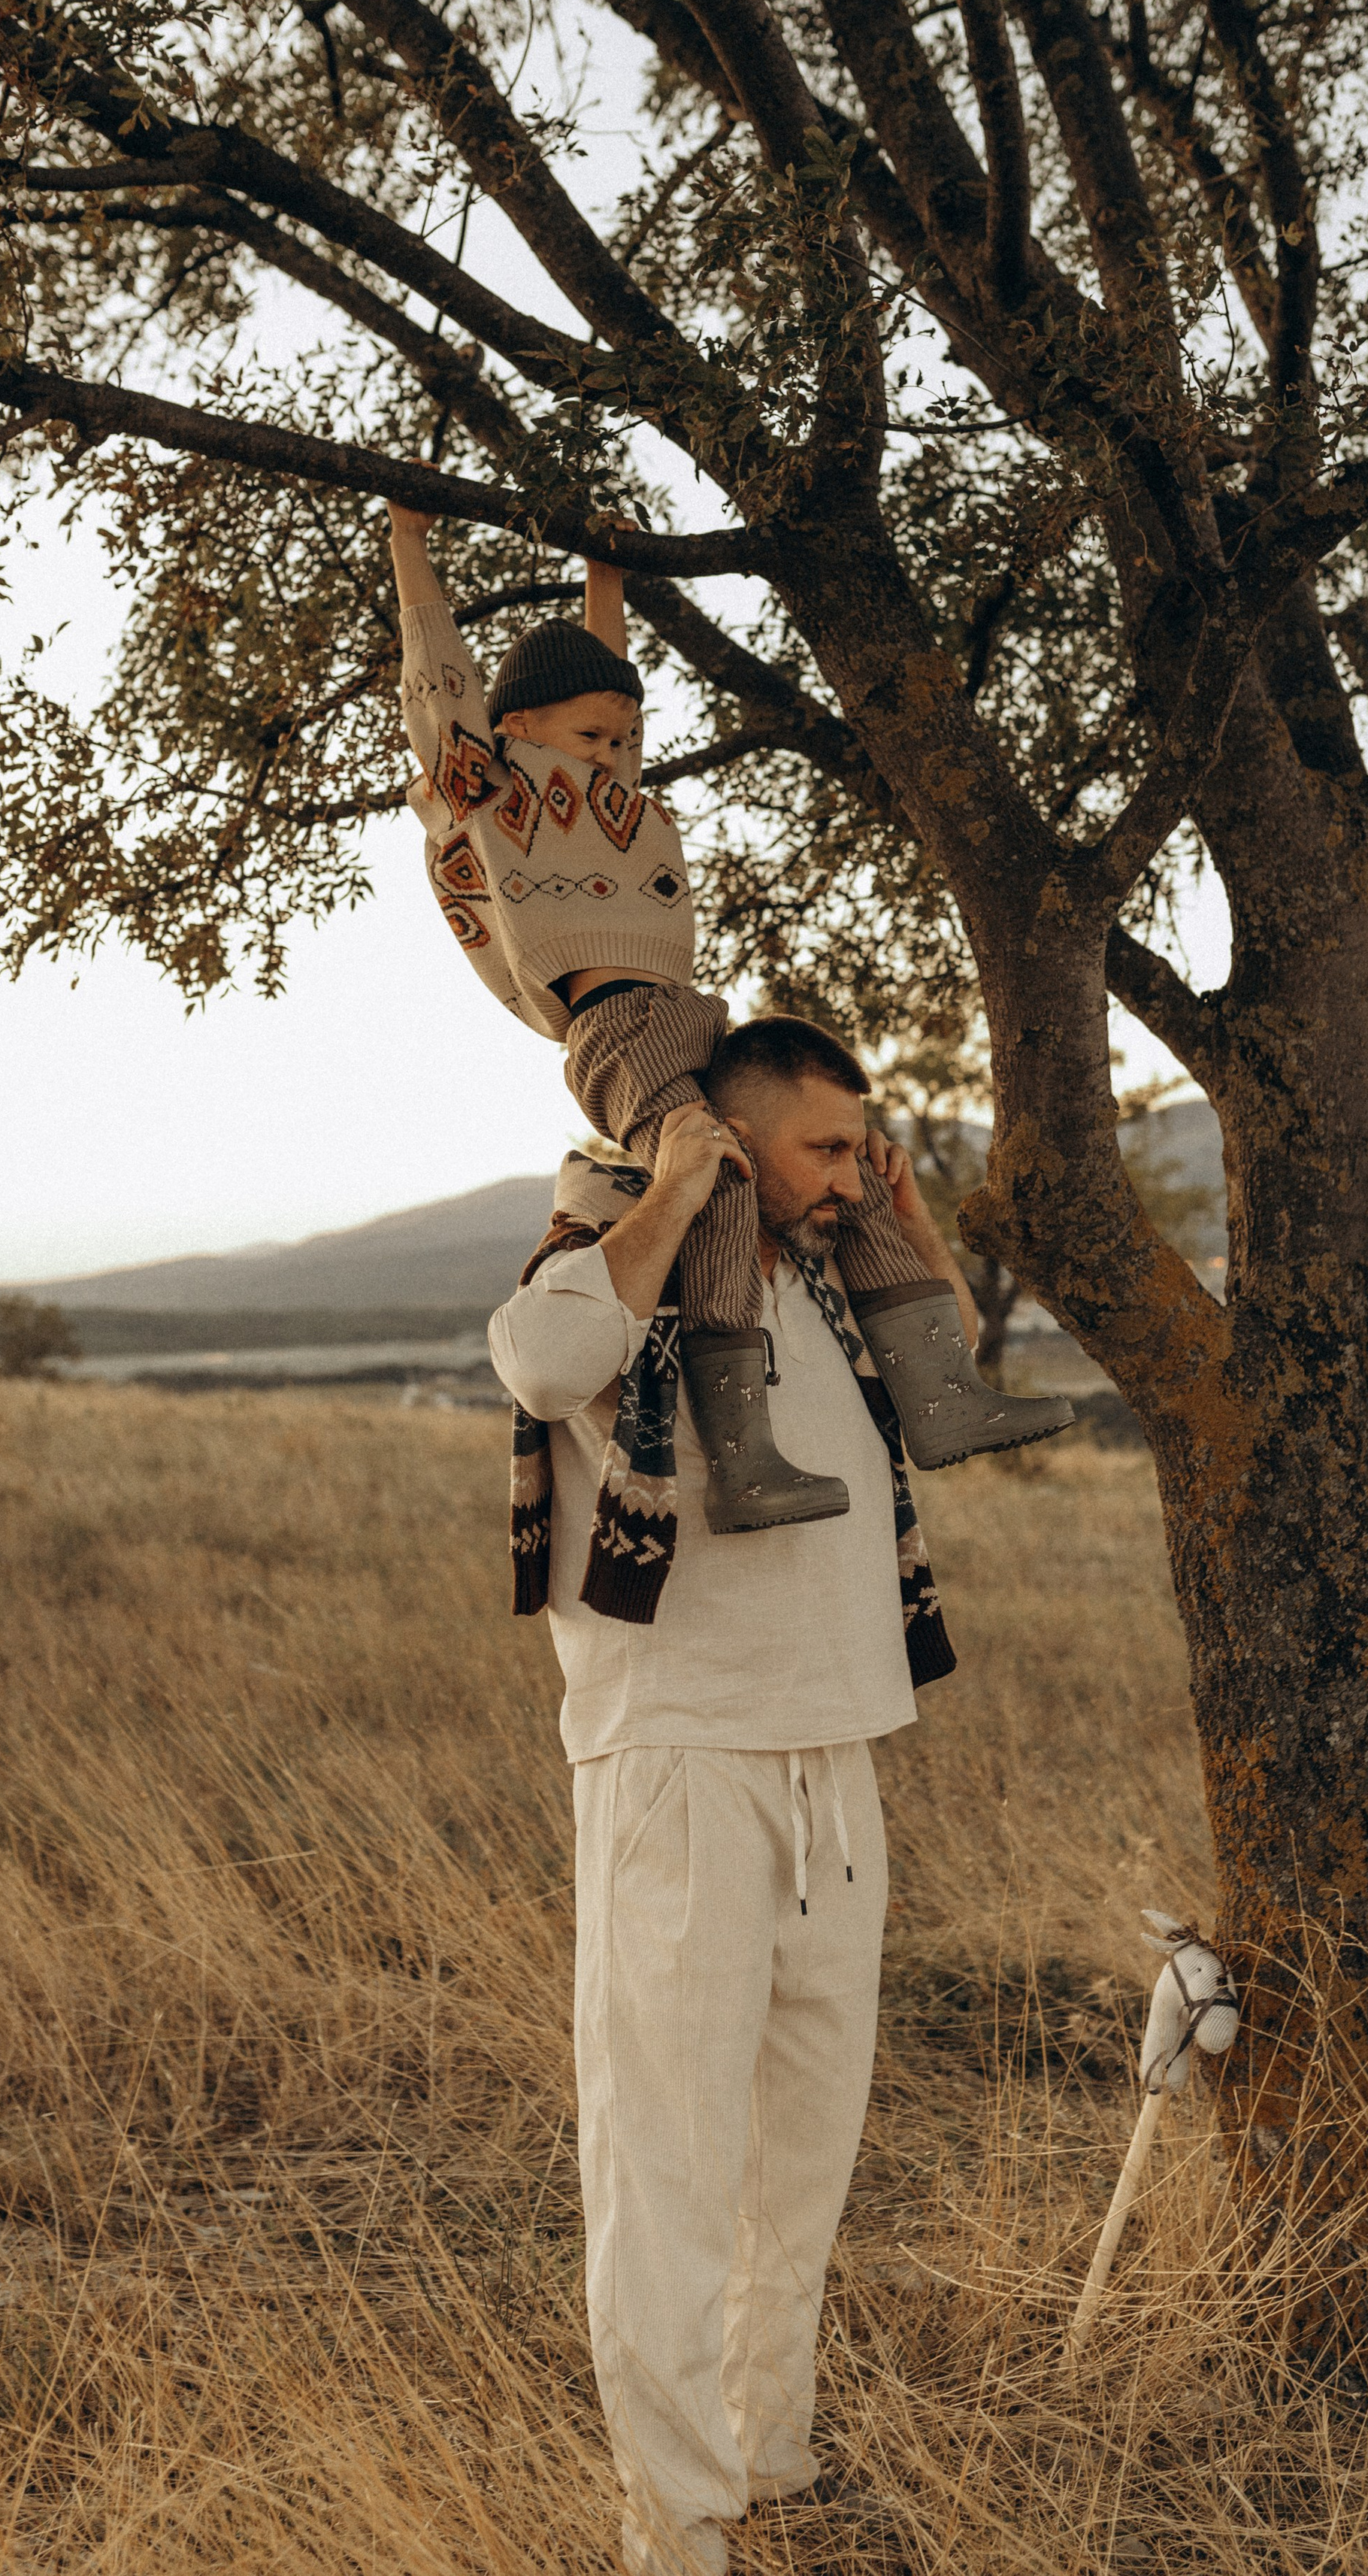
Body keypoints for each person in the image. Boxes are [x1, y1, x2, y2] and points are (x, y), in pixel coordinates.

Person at [488, 1016, 964, 2576]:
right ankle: (674, 2531)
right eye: (823, 1146)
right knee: (670, 2167)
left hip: (831, 1757)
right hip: (680, 1760)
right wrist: (672, 1193)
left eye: (855, 1145)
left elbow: (949, 1358)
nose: (847, 1171)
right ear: (731, 1135)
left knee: (796, 2165)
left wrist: (896, 1209)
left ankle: (771, 2457)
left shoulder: (817, 1281)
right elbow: (538, 1358)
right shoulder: (605, 1250)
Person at [389, 503, 1073, 1542]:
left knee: (833, 1165)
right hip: (617, 1030)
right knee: (714, 1185)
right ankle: (745, 1458)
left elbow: (611, 688)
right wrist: (410, 543)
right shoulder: (496, 794)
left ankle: (944, 1396)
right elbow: (441, 685)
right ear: (519, 733)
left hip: (693, 1016)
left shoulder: (616, 795)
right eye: (590, 735)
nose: (614, 750)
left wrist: (604, 579)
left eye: (623, 735)